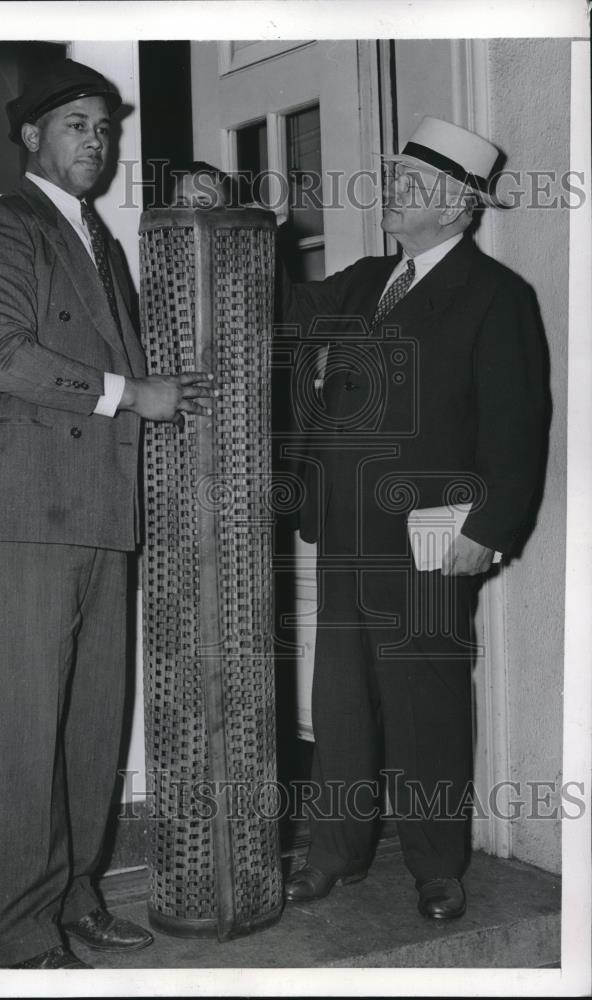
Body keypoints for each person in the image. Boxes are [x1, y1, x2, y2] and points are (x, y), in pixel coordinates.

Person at [0, 59, 214, 969]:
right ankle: (18, 940)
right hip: (21, 509)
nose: (95, 142)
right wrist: (134, 392)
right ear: (31, 136)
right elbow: (6, 359)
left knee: (92, 726)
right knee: (24, 730)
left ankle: (75, 893)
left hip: (101, 512)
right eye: (75, 125)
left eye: (104, 127)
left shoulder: (101, 237)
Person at [282, 117, 546, 921]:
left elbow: (516, 427)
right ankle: (335, 853)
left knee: (425, 700)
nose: (392, 193)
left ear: (460, 209)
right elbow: (281, 306)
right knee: (341, 701)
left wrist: (488, 530)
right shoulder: (364, 280)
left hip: (434, 536)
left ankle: (437, 864)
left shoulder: (497, 296)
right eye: (395, 178)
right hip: (346, 528)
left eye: (413, 185)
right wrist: (228, 222)